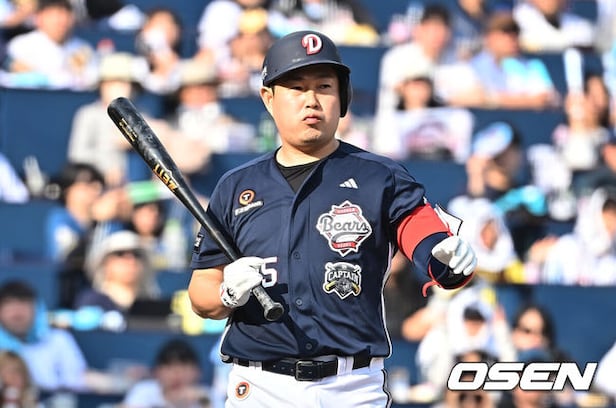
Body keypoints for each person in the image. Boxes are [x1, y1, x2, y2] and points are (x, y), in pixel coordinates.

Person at [188, 29, 477, 407]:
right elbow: (201, 294)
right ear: (269, 99)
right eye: (296, 88)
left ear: (343, 98)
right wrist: (227, 293)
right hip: (260, 387)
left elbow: (423, 234)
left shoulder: (380, 176)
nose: (311, 100)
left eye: (324, 86)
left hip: (351, 388)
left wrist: (443, 256)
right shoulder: (235, 186)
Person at [0, 280, 89, 393]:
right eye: (10, 306)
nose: (17, 314)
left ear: (37, 309)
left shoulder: (59, 339)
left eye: (24, 305)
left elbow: (77, 382)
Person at [2, 0, 98, 90]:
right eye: (54, 14)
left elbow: (92, 80)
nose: (62, 21)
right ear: (39, 17)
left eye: (66, 14)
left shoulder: (83, 48)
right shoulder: (21, 45)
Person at [74, 229, 160, 313]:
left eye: (136, 254)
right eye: (120, 254)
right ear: (105, 263)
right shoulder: (92, 301)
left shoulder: (153, 305)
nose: (131, 261)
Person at [122, 338, 210, 408]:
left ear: (198, 372)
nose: (177, 373)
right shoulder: (143, 391)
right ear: (156, 372)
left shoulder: (207, 396)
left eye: (184, 366)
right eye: (169, 366)